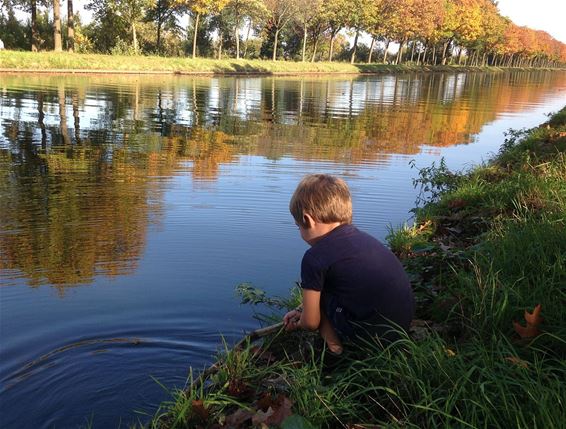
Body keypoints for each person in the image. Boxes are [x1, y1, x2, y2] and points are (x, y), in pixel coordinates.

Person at [283, 174, 414, 356]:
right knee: (326, 291)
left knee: (320, 299)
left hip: (372, 341)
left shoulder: (314, 257)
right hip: (400, 326)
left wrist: (301, 322)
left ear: (308, 220)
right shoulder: (362, 239)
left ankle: (336, 350)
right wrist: (302, 310)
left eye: (298, 226)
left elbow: (311, 323)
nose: (300, 231)